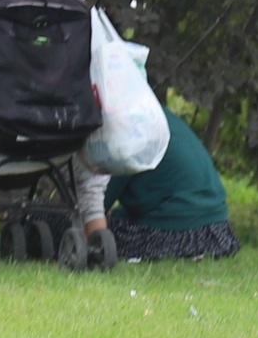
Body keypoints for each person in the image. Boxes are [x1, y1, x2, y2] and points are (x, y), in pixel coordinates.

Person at [71, 110, 240, 262]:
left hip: (173, 233)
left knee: (61, 226)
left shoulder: (122, 130)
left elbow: (92, 206)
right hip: (216, 233)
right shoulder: (155, 115)